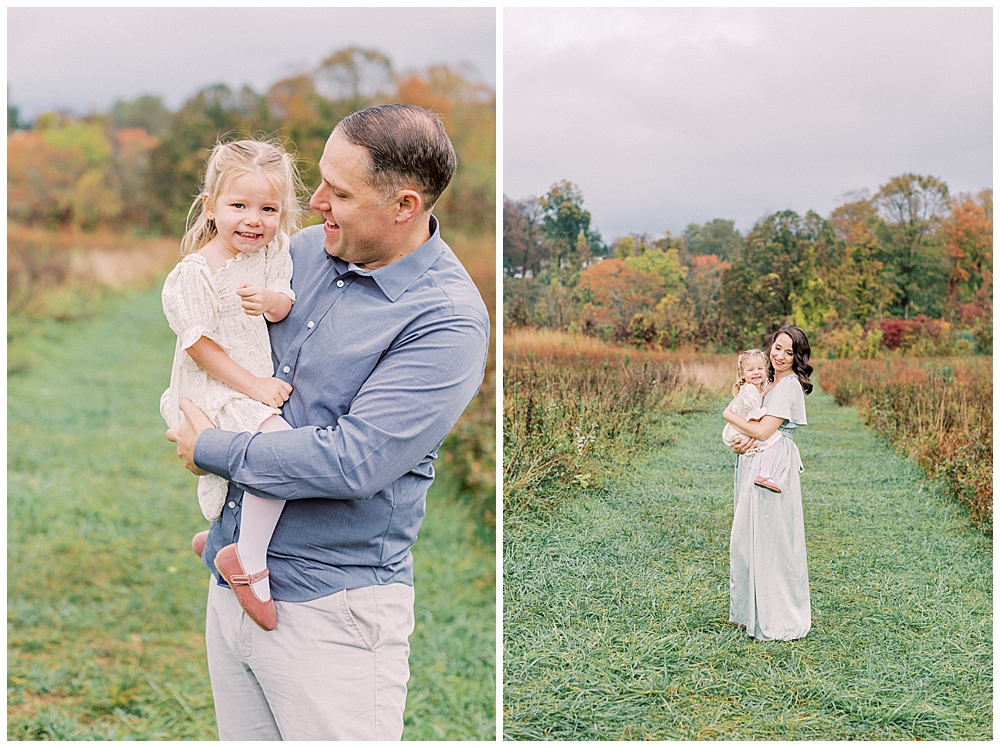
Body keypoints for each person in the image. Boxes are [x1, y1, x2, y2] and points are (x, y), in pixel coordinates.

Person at [166, 103, 490, 741]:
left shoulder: (446, 320)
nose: (314, 203)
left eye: (338, 192)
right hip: (232, 584)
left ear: (403, 204)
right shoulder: (304, 253)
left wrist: (213, 446)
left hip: (330, 613)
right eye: (319, 181)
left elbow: (353, 461)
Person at [160, 138, 304, 632]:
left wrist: (269, 299)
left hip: (249, 385)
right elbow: (198, 345)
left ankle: (221, 542)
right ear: (210, 207)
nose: (253, 219)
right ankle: (246, 557)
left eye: (268, 208)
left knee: (254, 467)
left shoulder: (273, 252)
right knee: (279, 453)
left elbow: (284, 303)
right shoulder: (194, 274)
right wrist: (255, 386)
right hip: (214, 388)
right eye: (238, 205)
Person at [722, 325, 813, 642]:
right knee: (746, 538)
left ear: (797, 357)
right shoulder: (767, 381)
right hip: (754, 461)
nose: (780, 355)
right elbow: (756, 427)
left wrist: (728, 416)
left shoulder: (788, 386)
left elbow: (763, 432)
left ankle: (777, 617)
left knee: (770, 541)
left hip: (775, 467)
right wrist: (740, 440)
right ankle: (748, 612)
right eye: (777, 347)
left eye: (789, 352)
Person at [722, 348, 784, 493]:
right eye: (750, 370)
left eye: (760, 368)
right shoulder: (749, 390)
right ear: (742, 374)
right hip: (741, 429)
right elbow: (755, 416)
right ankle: (764, 474)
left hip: (740, 426)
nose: (756, 372)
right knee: (774, 439)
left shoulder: (759, 385)